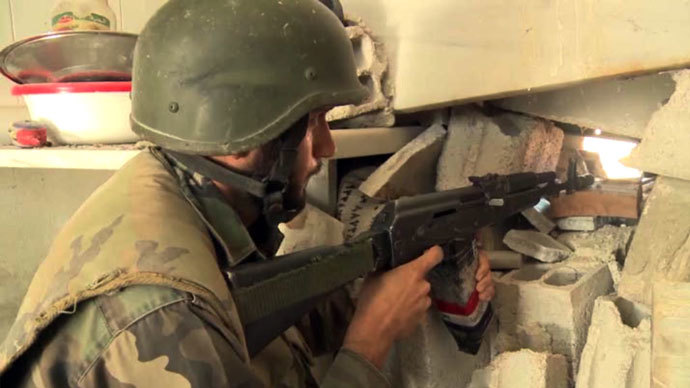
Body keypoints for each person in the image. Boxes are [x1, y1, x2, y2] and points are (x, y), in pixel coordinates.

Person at [0, 0, 494, 386]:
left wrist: (373, 287)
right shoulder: (161, 315)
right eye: (313, 124)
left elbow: (253, 313)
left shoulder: (169, 187)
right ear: (245, 138)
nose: (324, 147)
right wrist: (369, 344)